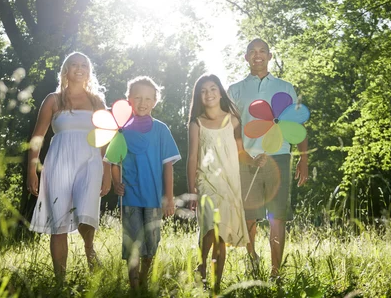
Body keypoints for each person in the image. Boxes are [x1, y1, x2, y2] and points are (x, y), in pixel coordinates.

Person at [227, 38, 309, 278]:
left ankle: (275, 272)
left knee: (277, 217)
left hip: (279, 158)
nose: (257, 55)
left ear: (270, 56)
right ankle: (253, 261)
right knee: (249, 218)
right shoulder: (235, 89)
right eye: (252, 51)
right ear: (246, 58)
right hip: (247, 160)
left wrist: (303, 160)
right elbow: (232, 128)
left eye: (262, 51)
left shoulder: (285, 87)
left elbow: (298, 125)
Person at [27, 52, 112, 281]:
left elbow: (104, 139)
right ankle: (60, 281)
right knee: (59, 222)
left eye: (83, 64)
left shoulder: (97, 102)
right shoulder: (53, 100)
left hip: (90, 162)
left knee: (86, 213)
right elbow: (37, 136)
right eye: (74, 64)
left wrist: (107, 172)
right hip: (59, 163)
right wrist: (31, 170)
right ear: (66, 70)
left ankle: (89, 248)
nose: (79, 68)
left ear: (89, 70)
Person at [110, 76, 181, 290]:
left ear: (155, 101)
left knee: (151, 242)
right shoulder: (122, 130)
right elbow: (114, 162)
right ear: (129, 99)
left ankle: (144, 279)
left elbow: (168, 166)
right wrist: (115, 182)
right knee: (132, 242)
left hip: (153, 198)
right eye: (138, 97)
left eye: (148, 98)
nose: (143, 102)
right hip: (130, 196)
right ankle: (133, 286)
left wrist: (169, 198)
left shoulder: (161, 130)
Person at [186, 74, 250, 293]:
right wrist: (192, 189)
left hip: (229, 182)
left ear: (220, 92)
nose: (209, 94)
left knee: (222, 232)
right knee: (210, 227)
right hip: (205, 181)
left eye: (213, 89)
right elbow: (192, 157)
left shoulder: (233, 119)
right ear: (199, 96)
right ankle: (202, 264)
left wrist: (255, 160)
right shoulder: (197, 123)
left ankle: (216, 285)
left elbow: (241, 149)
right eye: (204, 91)